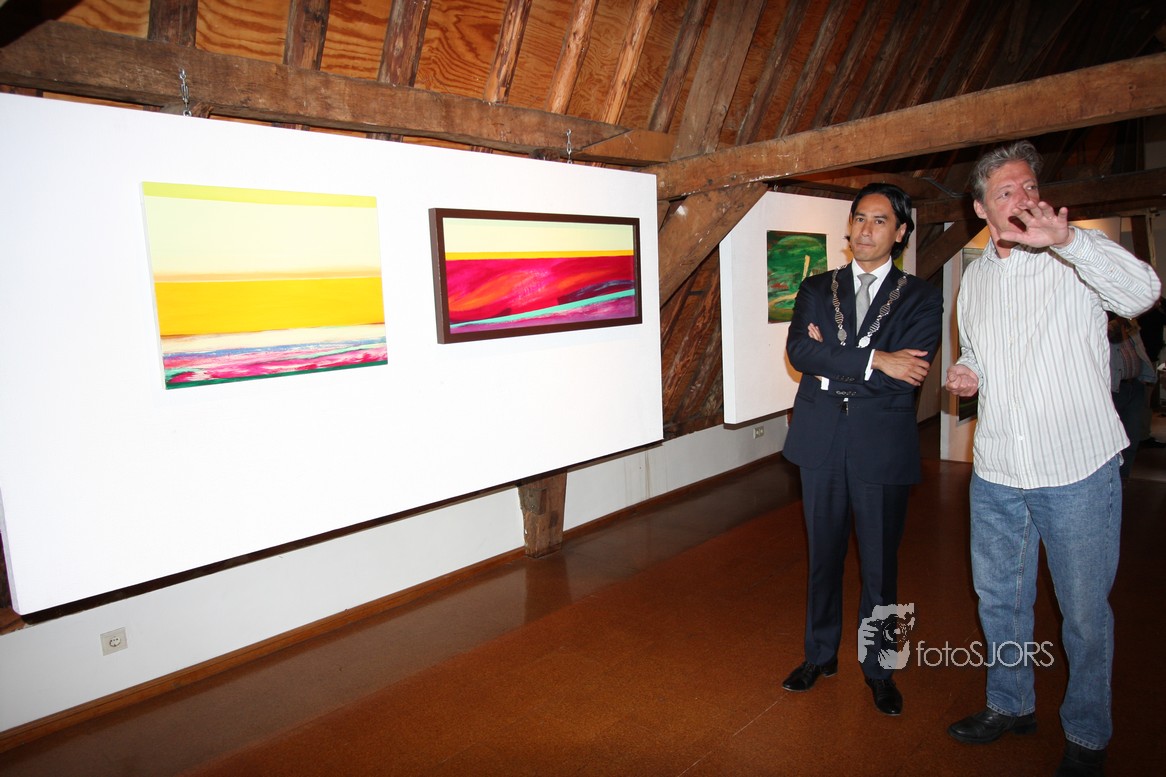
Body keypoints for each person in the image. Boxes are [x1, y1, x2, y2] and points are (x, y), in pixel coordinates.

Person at [944, 140, 1161, 777]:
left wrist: (1069, 242)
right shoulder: (976, 278)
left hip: (1077, 471)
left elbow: (1143, 293)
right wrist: (968, 370)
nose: (1023, 198)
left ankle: (1088, 734)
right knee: (999, 601)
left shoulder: (1076, 257)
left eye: (1030, 186)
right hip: (997, 471)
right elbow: (979, 350)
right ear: (980, 208)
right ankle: (1010, 703)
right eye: (1006, 191)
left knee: (1084, 615)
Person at [781, 182, 942, 716]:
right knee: (822, 557)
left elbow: (907, 374)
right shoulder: (816, 287)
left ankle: (880, 669)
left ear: (900, 232)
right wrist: (875, 359)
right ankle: (819, 655)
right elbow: (800, 352)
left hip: (881, 445)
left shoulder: (921, 296)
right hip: (821, 441)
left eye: (879, 221)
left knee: (879, 565)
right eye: (859, 219)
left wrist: (834, 362)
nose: (865, 230)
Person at [1108, 315, 1156, 477]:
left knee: (1132, 438)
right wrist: (1119, 321)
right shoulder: (1104, 321)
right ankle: (1113, 480)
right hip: (1114, 389)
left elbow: (1140, 348)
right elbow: (1110, 334)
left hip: (1134, 385)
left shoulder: (1129, 323)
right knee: (1113, 440)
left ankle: (1124, 478)